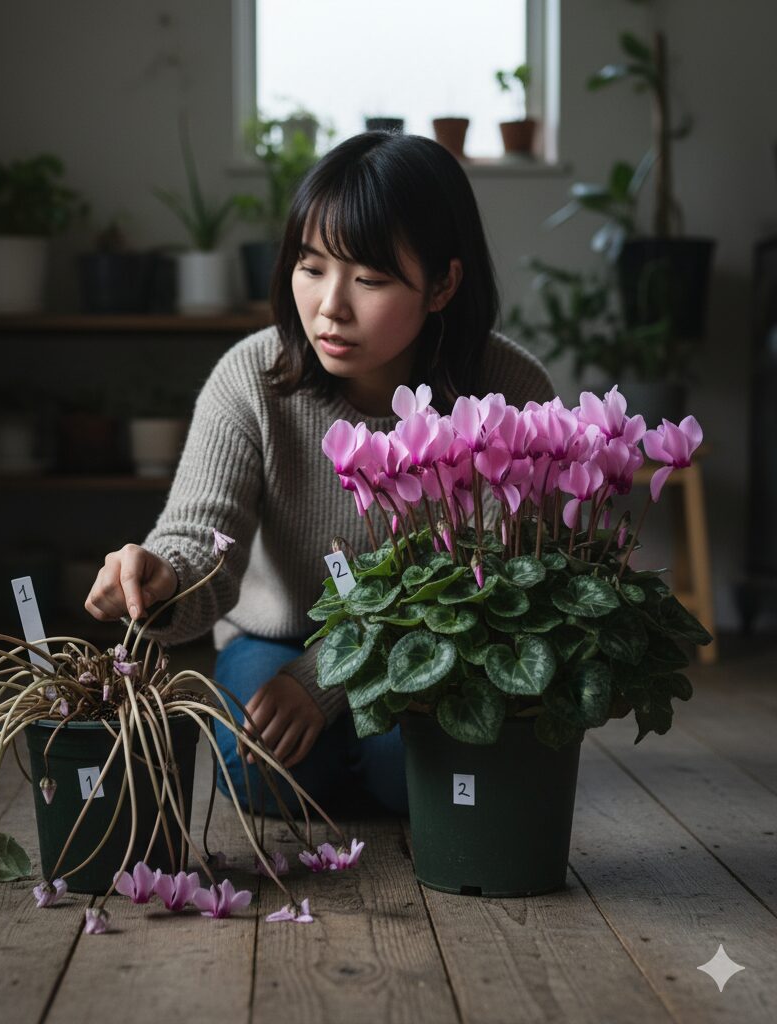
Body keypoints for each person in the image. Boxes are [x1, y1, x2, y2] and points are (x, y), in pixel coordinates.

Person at [85, 131, 554, 816]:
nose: (330, 305)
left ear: (444, 284)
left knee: (403, 770)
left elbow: (491, 588)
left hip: (435, 644)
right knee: (258, 772)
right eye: (310, 267)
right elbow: (201, 532)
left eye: (368, 279)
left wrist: (324, 681)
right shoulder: (251, 378)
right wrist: (161, 579)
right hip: (278, 634)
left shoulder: (508, 393)